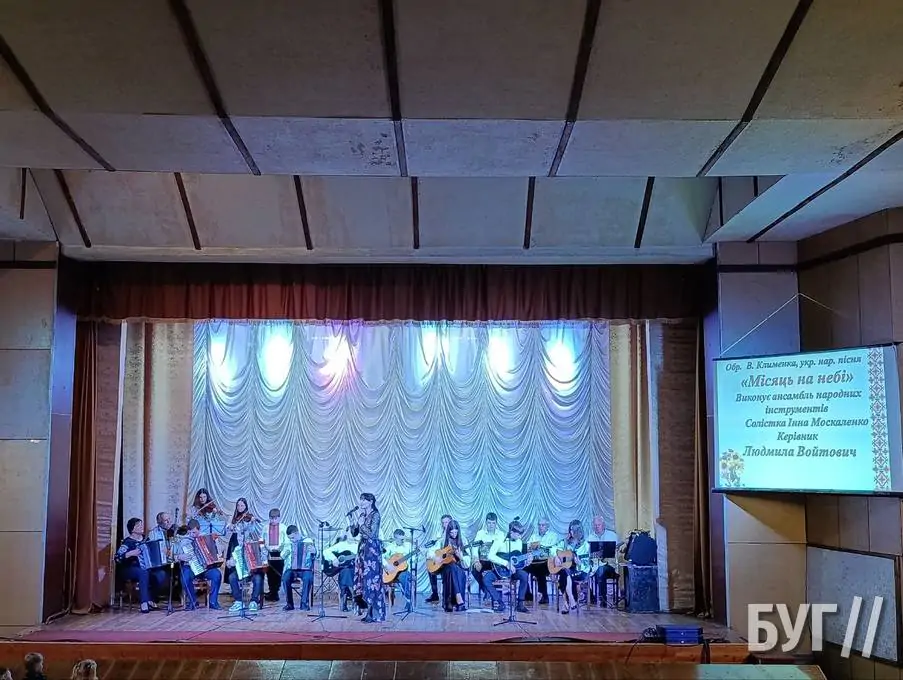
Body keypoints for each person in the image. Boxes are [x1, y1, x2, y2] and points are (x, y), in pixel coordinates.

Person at [349, 492, 386, 622]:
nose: (361, 502)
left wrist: (362, 524)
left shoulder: (376, 515)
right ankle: (367, 611)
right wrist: (353, 522)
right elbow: (355, 533)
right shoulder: (362, 515)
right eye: (361, 500)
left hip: (372, 551)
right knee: (363, 580)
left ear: (371, 502)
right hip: (362, 549)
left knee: (372, 581)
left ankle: (374, 613)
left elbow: (372, 534)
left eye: (364, 500)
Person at [224, 497, 265, 611]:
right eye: (238, 505)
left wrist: (252, 521)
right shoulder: (237, 548)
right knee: (232, 576)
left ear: (246, 507)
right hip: (240, 562)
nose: (240, 507)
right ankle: (238, 601)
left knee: (258, 577)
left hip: (251, 568)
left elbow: (252, 531)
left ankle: (254, 601)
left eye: (242, 505)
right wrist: (230, 562)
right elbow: (227, 529)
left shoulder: (254, 545)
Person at [173, 519, 223, 610]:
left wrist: (216, 543)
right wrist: (180, 556)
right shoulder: (184, 541)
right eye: (191, 532)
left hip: (205, 567)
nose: (193, 535)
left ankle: (213, 601)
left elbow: (218, 551)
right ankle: (193, 601)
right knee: (184, 578)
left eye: (195, 532)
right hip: (190, 567)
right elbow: (174, 556)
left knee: (217, 574)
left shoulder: (206, 537)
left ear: (199, 530)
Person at [487, 519, 531, 614]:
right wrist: (506, 563)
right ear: (511, 532)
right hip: (499, 570)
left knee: (524, 575)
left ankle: (520, 604)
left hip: (513, 571)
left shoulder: (519, 542)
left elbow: (517, 561)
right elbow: (490, 556)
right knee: (486, 579)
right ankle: (500, 603)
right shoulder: (500, 539)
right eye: (518, 534)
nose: (520, 537)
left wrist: (526, 562)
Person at [114, 517, 156, 613]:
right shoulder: (127, 542)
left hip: (146, 568)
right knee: (143, 572)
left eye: (141, 525)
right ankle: (144, 602)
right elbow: (117, 558)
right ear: (132, 529)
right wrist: (130, 554)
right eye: (138, 525)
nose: (141, 527)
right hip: (129, 568)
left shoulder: (146, 539)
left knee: (160, 574)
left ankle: (151, 599)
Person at [553, 519, 592, 614]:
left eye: (574, 530)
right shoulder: (565, 542)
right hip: (568, 570)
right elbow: (553, 549)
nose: (572, 532)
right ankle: (570, 600)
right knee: (565, 572)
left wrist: (579, 563)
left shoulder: (586, 545)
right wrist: (556, 557)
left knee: (564, 574)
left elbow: (588, 564)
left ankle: (566, 603)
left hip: (580, 572)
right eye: (570, 530)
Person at [434, 519, 470, 612]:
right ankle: (459, 600)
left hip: (459, 567)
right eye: (452, 533)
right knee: (450, 566)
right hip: (445, 567)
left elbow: (467, 563)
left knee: (454, 568)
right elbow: (432, 553)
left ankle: (449, 603)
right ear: (448, 532)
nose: (454, 535)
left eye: (456, 532)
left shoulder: (463, 541)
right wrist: (437, 558)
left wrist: (460, 557)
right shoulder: (443, 540)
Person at [470, 512, 503, 607]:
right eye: (489, 523)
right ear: (486, 523)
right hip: (483, 560)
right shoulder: (480, 533)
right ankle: (486, 591)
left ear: (496, 523)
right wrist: (476, 561)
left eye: (493, 523)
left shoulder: (500, 534)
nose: (491, 525)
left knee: (497, 571)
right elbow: (475, 548)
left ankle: (492, 593)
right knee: (474, 569)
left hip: (495, 561)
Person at [524, 517, 558, 605]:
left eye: (543, 525)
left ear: (547, 526)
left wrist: (540, 546)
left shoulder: (553, 535)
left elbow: (552, 549)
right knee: (523, 568)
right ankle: (528, 593)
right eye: (539, 525)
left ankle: (544, 595)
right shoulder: (534, 536)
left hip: (548, 562)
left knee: (540, 569)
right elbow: (528, 547)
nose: (540, 527)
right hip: (535, 561)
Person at [586, 515, 619, 605]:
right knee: (592, 570)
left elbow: (617, 551)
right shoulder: (590, 537)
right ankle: (592, 596)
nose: (597, 527)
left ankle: (602, 597)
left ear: (603, 525)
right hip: (596, 566)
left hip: (610, 566)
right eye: (595, 525)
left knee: (601, 569)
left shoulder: (612, 535)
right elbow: (588, 554)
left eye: (599, 525)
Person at [281, 525, 316, 611]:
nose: (291, 540)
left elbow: (315, 556)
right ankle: (289, 604)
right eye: (290, 538)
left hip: (305, 568)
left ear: (297, 533)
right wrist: (286, 553)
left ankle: (304, 604)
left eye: (292, 538)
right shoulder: (288, 543)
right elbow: (282, 556)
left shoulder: (308, 541)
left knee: (308, 578)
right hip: (291, 569)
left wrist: (314, 551)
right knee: (285, 578)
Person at [323, 531, 359, 611]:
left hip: (356, 571)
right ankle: (353, 596)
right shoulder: (341, 545)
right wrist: (334, 559)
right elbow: (325, 551)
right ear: (346, 534)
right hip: (345, 571)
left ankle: (344, 597)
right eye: (350, 533)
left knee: (347, 571)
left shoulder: (358, 546)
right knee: (346, 571)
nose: (352, 535)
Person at [382, 528, 413, 612]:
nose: (402, 541)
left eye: (403, 539)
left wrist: (413, 558)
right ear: (395, 538)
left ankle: (408, 600)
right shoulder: (390, 547)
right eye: (400, 539)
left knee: (403, 577)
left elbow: (414, 560)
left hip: (404, 570)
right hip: (391, 571)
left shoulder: (408, 546)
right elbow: (382, 557)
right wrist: (387, 565)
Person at [263, 508, 291, 602]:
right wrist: (264, 551)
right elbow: (263, 540)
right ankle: (272, 591)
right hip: (269, 553)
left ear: (279, 518)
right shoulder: (266, 528)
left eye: (275, 518)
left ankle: (275, 592)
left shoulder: (283, 528)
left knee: (278, 574)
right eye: (271, 518)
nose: (273, 520)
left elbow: (287, 542)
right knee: (269, 574)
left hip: (280, 554)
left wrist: (283, 554)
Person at [425, 514, 452, 603]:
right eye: (443, 523)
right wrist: (433, 556)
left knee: (447, 569)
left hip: (450, 561)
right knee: (430, 568)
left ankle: (447, 595)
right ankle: (435, 594)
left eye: (447, 522)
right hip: (441, 560)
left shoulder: (454, 533)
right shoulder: (439, 534)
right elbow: (433, 548)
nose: (445, 525)